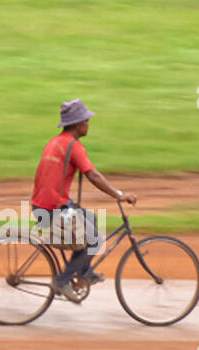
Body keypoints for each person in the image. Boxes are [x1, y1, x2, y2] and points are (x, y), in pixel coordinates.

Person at [31, 99, 137, 303]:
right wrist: (118, 195)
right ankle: (62, 281)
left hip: (42, 205)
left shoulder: (55, 142)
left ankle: (84, 271)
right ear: (77, 124)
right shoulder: (73, 146)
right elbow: (93, 175)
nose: (88, 124)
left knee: (90, 218)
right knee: (95, 240)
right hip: (54, 208)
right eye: (86, 121)